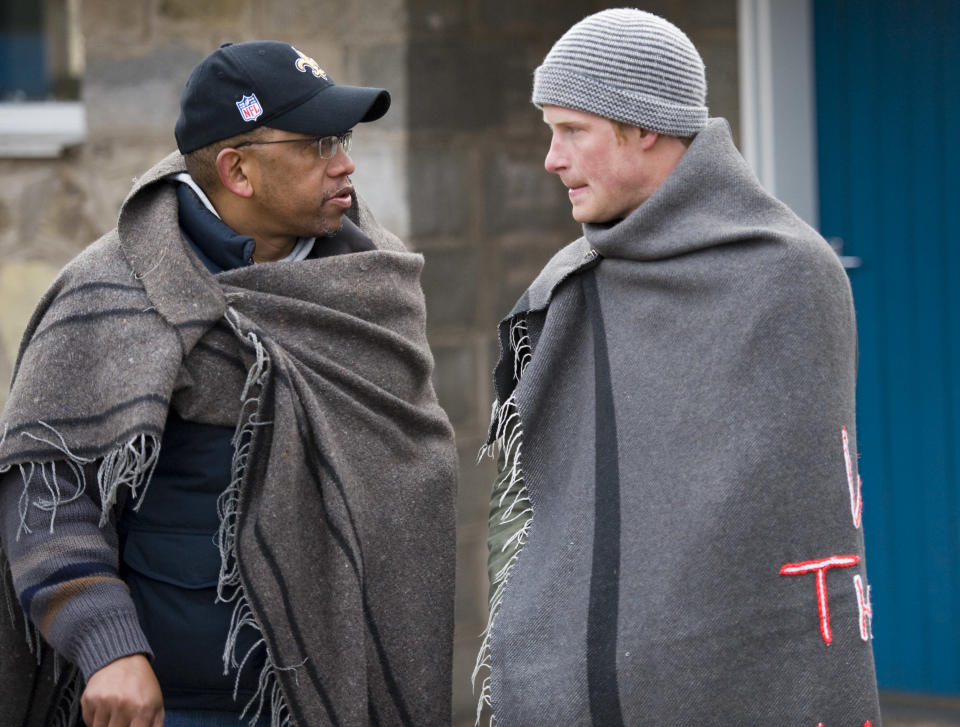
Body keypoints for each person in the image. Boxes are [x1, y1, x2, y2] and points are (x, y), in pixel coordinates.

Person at [0, 41, 457, 727]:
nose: (346, 162)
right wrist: (107, 644)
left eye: (346, 138)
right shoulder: (110, 291)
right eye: (319, 143)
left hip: (339, 704)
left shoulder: (373, 289)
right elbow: (43, 491)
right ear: (237, 169)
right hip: (168, 709)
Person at [474, 9, 880, 726]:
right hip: (571, 696)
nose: (551, 159)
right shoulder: (565, 290)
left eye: (572, 131)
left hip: (738, 692)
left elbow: (791, 533)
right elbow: (531, 514)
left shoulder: (789, 276)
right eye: (550, 132)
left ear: (645, 125)